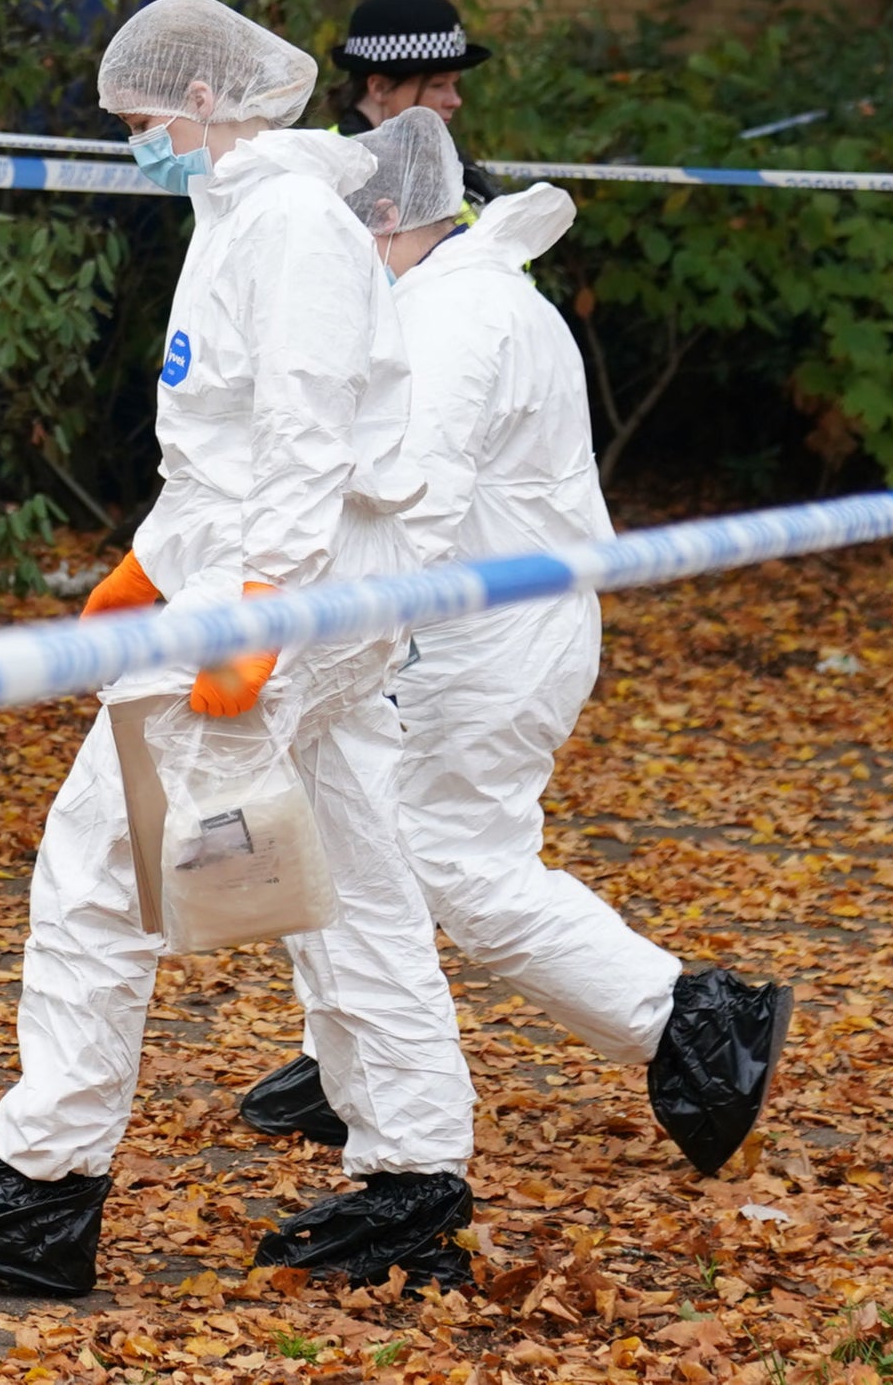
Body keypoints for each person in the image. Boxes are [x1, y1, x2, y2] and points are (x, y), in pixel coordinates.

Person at [0, 0, 479, 1297]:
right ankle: (416, 1178)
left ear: (205, 100)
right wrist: (149, 561)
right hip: (302, 587)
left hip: (295, 594)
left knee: (96, 860)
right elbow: (227, 443)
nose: (135, 138)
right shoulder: (244, 213)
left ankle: (45, 1182)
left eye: (143, 115)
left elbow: (309, 436)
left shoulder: (292, 222)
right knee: (354, 880)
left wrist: (256, 608)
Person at [235, 108, 794, 1175]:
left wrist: (322, 626)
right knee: (367, 840)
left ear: (387, 217)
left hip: (487, 636)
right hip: (484, 623)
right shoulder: (463, 291)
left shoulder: (455, 319)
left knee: (454, 858)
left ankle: (685, 1022)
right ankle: (348, 1061)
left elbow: (411, 500)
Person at [333, 0, 498, 206]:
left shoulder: (437, 158)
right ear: (379, 88)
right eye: (438, 85)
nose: (455, 100)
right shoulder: (339, 172)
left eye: (454, 83)